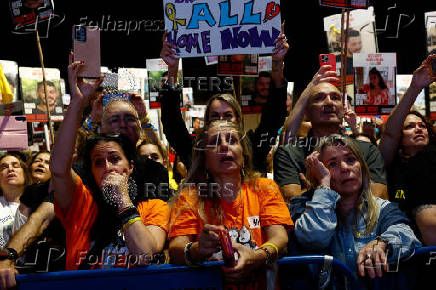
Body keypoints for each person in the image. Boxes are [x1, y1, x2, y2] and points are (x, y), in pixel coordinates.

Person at [49, 57, 169, 270]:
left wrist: (122, 200)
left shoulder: (152, 197)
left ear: (131, 166)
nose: (108, 167)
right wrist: (78, 102)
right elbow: (59, 168)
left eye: (115, 159)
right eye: (98, 163)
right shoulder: (81, 198)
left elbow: (145, 255)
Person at [168, 120, 292, 288]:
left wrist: (257, 257)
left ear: (244, 155)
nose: (225, 146)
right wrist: (198, 249)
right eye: (215, 142)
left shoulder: (265, 188)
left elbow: (280, 239)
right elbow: (176, 250)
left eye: (232, 140)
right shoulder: (189, 197)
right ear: (204, 159)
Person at [289, 135, 421, 287]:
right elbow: (314, 238)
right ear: (319, 173)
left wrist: (383, 243)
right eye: (332, 164)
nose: (345, 168)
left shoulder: (383, 208)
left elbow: (407, 234)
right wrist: (324, 186)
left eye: (351, 159)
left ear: (362, 167)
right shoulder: (305, 207)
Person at [160, 23, 290, 173]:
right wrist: (172, 70)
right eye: (215, 116)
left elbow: (274, 117)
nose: (222, 120)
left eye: (228, 115)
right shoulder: (196, 154)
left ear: (239, 121)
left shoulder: (252, 149)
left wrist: (277, 63)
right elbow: (171, 124)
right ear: (206, 123)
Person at [275, 65, 387, 202]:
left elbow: (377, 199)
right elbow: (292, 201)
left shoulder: (366, 150)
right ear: (307, 113)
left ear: (343, 110)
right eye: (319, 98)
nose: (329, 102)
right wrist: (350, 186)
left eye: (335, 98)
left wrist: (316, 188)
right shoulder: (289, 154)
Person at [378, 54, 436, 245]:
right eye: (410, 126)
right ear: (399, 138)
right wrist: (415, 88)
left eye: (422, 125)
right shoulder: (391, 164)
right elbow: (389, 134)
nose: (419, 128)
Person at [0, 153, 31, 248]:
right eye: (4, 167)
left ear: (25, 174)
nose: (10, 169)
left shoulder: (38, 203)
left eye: (16, 165)